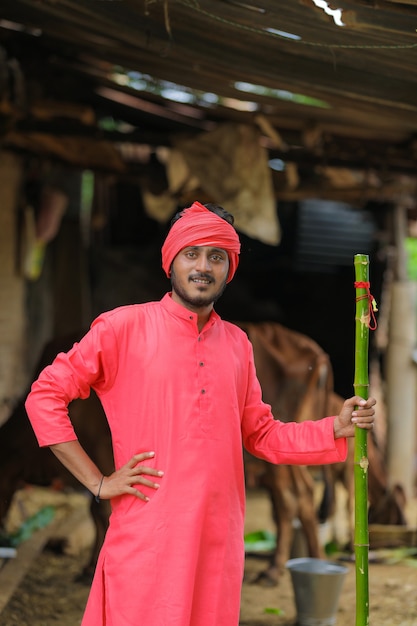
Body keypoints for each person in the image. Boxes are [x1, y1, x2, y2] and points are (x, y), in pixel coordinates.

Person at [25, 200, 376, 626]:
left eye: (216, 256)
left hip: (218, 545)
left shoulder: (236, 345)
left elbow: (261, 434)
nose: (203, 266)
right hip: (148, 541)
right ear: (170, 260)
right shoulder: (121, 328)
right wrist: (98, 483)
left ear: (230, 268)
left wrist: (334, 429)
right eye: (191, 253)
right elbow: (45, 396)